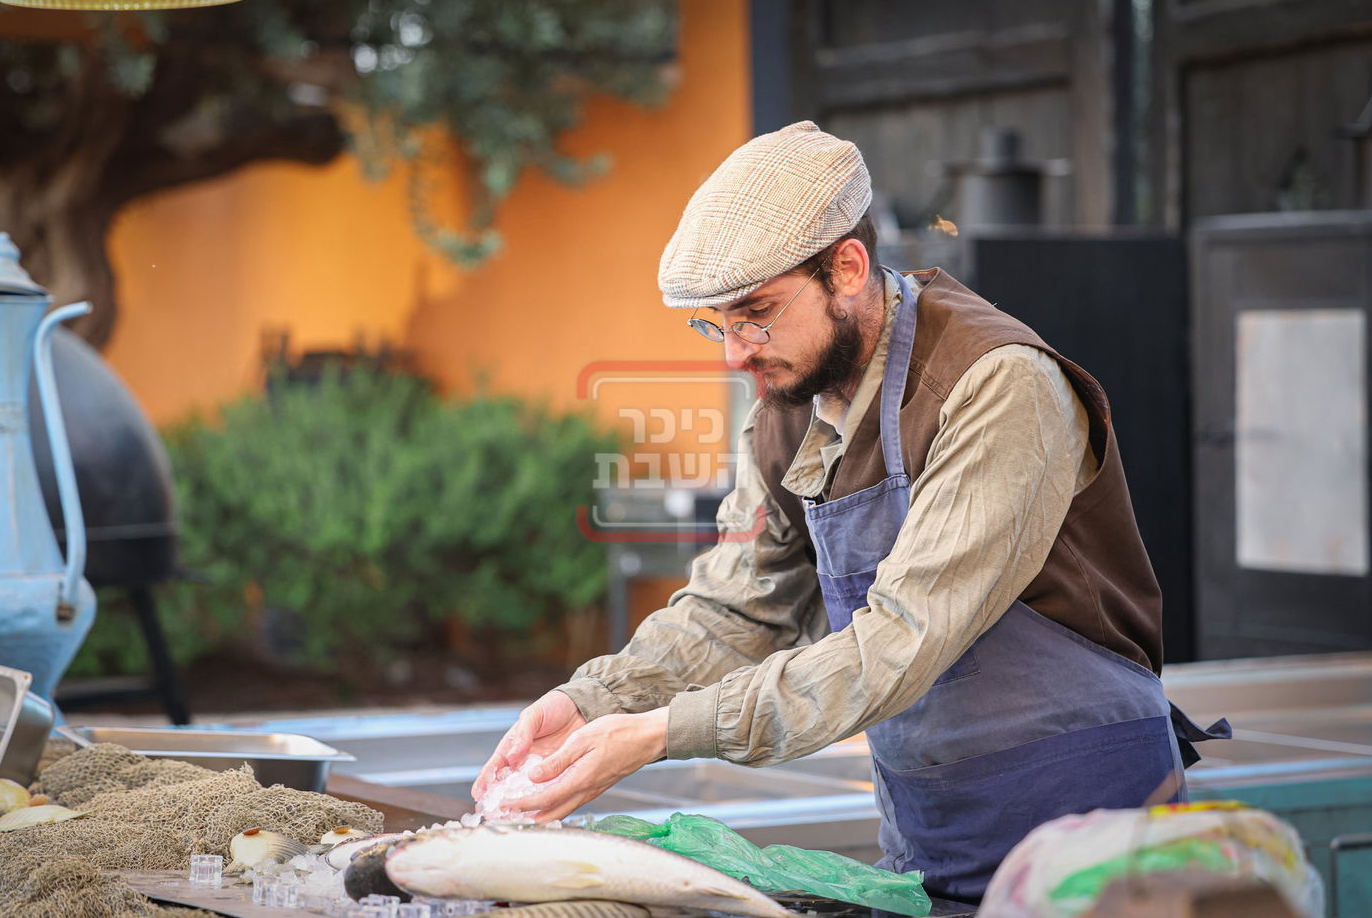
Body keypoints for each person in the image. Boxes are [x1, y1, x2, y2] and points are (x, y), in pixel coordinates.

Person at [471, 121, 1227, 903]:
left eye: (755, 312)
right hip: (932, 844)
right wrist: (589, 700)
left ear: (849, 268)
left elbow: (899, 639)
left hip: (1094, 844)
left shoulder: (998, 384)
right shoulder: (785, 412)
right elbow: (734, 612)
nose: (734, 353)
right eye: (716, 324)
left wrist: (660, 733)